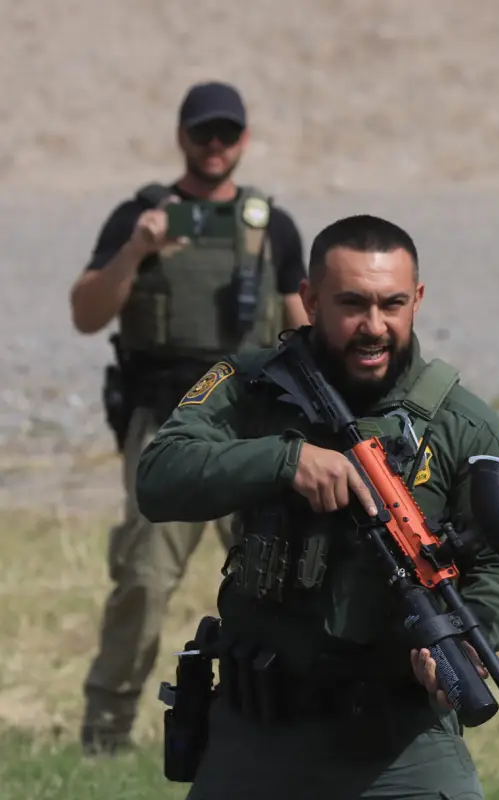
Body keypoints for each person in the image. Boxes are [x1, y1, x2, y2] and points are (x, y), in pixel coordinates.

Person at [133, 214, 499, 799]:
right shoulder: (250, 387)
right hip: (259, 733)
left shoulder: (462, 423)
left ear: (417, 301)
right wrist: (286, 461)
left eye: (392, 304)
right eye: (352, 304)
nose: (373, 326)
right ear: (309, 299)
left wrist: (469, 631)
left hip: (401, 741)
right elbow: (158, 477)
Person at [67, 80, 311, 755]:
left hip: (252, 424)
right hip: (167, 421)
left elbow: (304, 331)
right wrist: (136, 253)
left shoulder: (273, 227)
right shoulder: (139, 217)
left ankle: (272, 729)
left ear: (244, 140)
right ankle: (106, 736)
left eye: (226, 134)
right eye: (203, 132)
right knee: (144, 579)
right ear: (181, 135)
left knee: (273, 577)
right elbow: (87, 313)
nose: (214, 146)